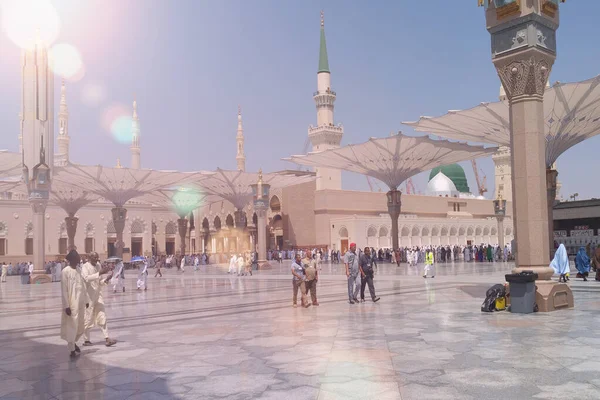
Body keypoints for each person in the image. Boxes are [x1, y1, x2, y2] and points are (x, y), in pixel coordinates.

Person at [81, 252, 117, 347]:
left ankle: (107, 338)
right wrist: (99, 273)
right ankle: (86, 340)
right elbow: (86, 278)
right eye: (94, 257)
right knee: (88, 318)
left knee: (102, 316)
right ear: (89, 258)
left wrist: (106, 280)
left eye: (97, 257)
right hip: (88, 297)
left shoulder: (97, 266)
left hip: (98, 296)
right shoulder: (85, 266)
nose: (97, 259)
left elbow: (99, 281)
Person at [61, 250, 88, 358]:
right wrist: (66, 305)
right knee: (72, 325)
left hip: (80, 302)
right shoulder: (65, 271)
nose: (79, 258)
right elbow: (64, 290)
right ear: (72, 259)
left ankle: (73, 342)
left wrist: (86, 301)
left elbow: (83, 286)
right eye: (77, 257)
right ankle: (71, 349)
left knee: (81, 325)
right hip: (72, 303)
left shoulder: (79, 270)